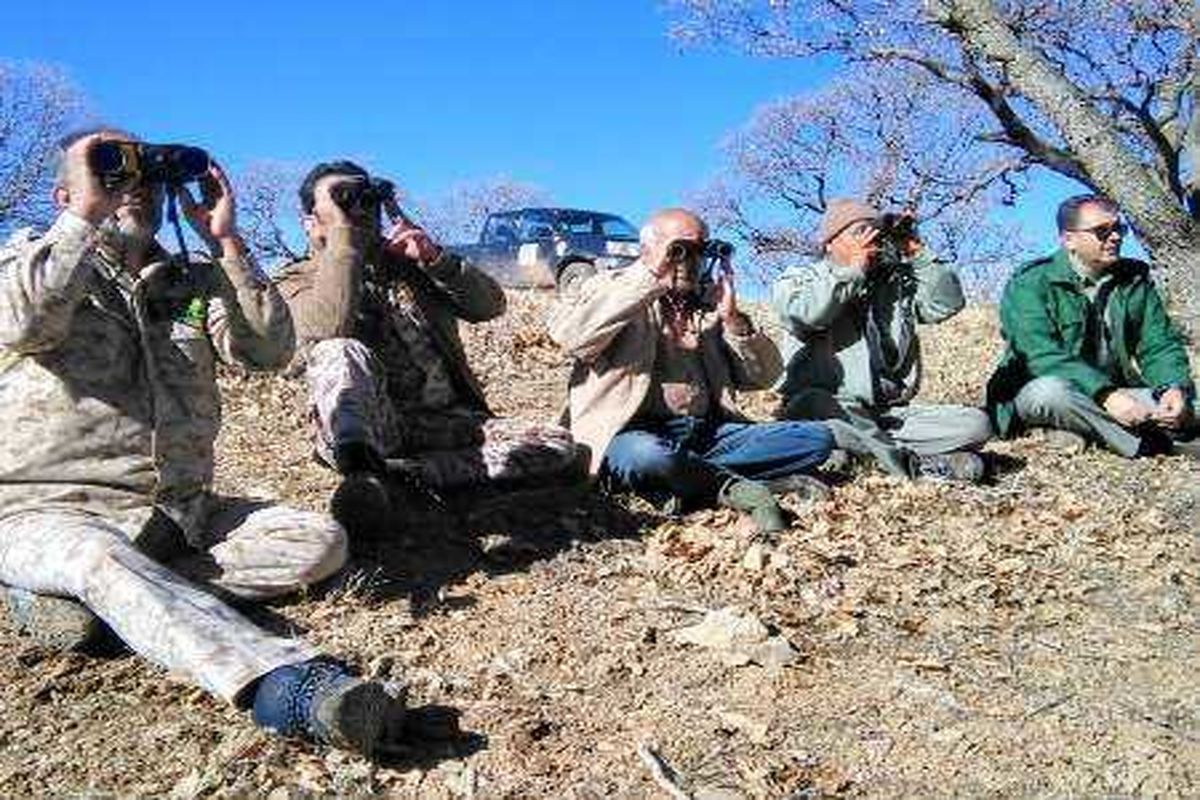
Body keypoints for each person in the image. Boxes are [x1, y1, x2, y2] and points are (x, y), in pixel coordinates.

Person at [0, 129, 403, 755]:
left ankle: (112, 606)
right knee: (98, 559)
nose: (136, 188)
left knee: (318, 541)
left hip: (176, 513)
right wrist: (83, 214)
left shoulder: (187, 282)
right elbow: (24, 320)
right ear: (66, 192)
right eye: (114, 173)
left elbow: (268, 350)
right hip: (49, 511)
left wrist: (226, 241)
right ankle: (285, 684)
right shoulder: (25, 264)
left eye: (147, 177)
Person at [274, 161, 585, 540]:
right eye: (342, 199)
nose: (358, 209)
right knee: (339, 349)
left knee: (558, 445)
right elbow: (327, 327)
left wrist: (436, 259)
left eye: (364, 198)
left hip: (446, 421)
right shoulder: (296, 278)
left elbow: (489, 306)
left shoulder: (408, 265)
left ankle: (401, 478)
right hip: (373, 427)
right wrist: (343, 240)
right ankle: (363, 472)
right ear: (310, 221)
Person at [547, 208, 833, 534]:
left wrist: (733, 319)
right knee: (647, 456)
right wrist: (650, 276)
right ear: (647, 250)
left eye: (701, 251)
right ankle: (730, 485)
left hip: (706, 434)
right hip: (631, 435)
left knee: (815, 438)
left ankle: (689, 476)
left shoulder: (707, 308)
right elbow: (572, 336)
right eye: (679, 249)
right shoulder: (612, 289)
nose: (689, 260)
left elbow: (764, 377)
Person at [771, 199, 991, 481]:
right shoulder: (801, 279)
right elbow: (807, 314)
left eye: (876, 232)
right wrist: (853, 271)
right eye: (859, 232)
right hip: (827, 408)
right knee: (819, 405)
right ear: (829, 243)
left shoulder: (895, 285)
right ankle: (913, 467)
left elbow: (946, 304)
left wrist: (915, 250)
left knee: (975, 425)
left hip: (886, 414)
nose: (871, 240)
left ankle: (856, 453)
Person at [986, 194, 1197, 457]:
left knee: (1188, 404)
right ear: (1069, 239)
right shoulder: (1030, 282)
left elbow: (1159, 343)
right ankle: (1158, 445)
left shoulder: (1134, 279)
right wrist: (1105, 396)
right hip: (1041, 391)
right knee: (1051, 393)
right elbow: (1039, 354)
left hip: (1115, 393)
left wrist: (1172, 387)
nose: (1116, 237)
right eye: (1102, 231)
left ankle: (1080, 432)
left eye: (1119, 229)